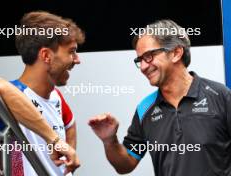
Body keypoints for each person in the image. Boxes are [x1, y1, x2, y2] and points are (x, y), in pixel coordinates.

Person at [89, 19, 231, 176]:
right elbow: (125, 165)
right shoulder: (145, 108)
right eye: (139, 60)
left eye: (149, 56)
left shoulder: (221, 96)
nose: (143, 67)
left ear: (176, 53)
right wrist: (110, 141)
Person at [0, 11, 85, 176]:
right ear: (46, 55)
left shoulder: (56, 96)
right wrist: (55, 140)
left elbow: (70, 124)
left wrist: (68, 169)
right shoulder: (6, 94)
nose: (77, 59)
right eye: (71, 51)